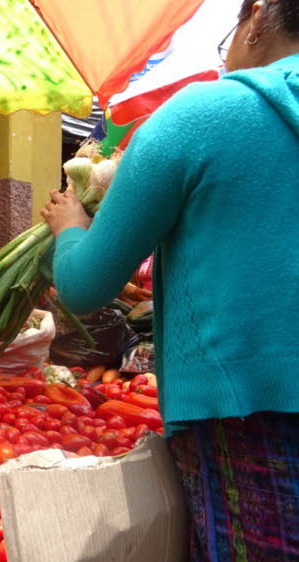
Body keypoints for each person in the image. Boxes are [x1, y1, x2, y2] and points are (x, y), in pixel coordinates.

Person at [41, 1, 299, 560]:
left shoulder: (202, 115)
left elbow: (85, 285)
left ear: (258, 17)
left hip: (247, 423)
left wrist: (70, 227)